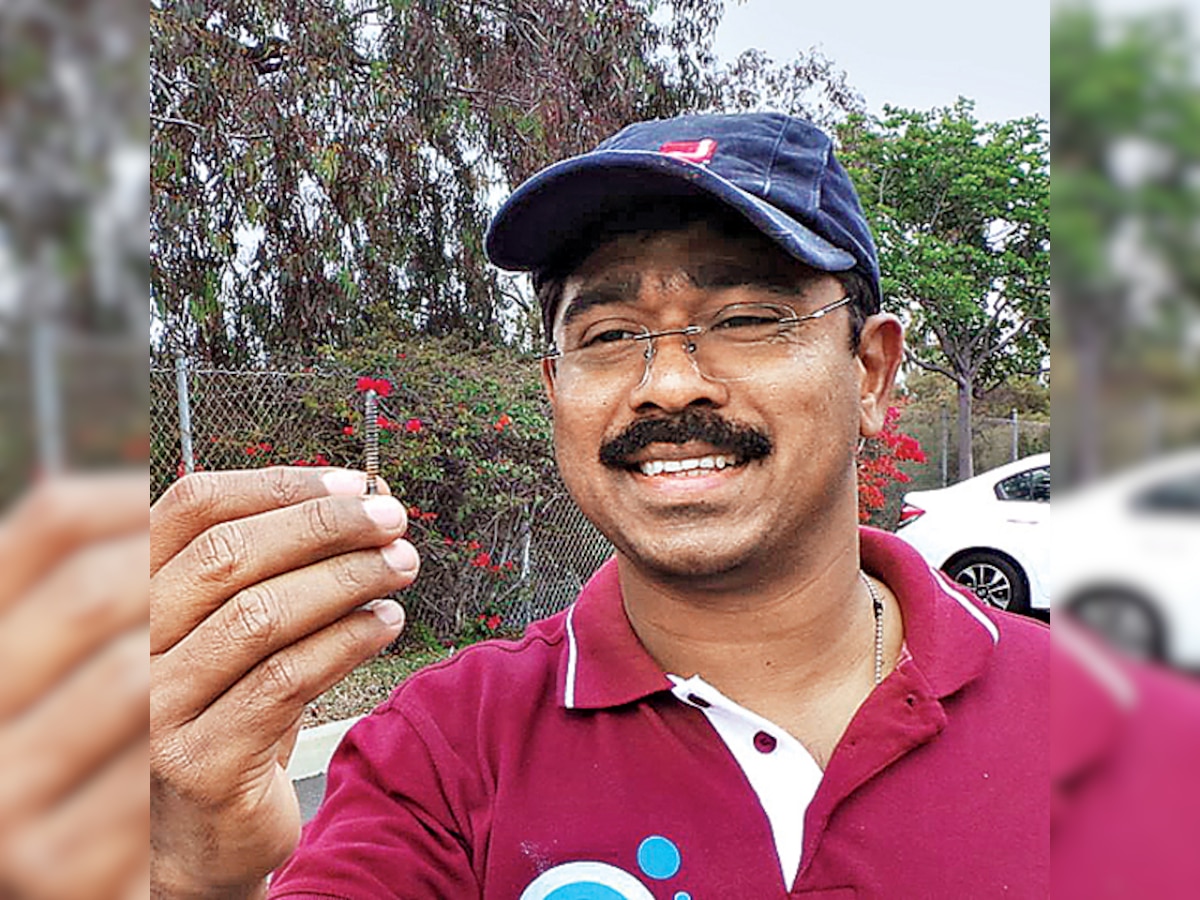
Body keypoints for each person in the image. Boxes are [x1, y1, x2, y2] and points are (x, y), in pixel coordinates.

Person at [150, 113, 1049, 898]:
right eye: (610, 336)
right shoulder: (439, 753)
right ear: (554, 387)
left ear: (872, 370)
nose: (665, 385)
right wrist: (191, 879)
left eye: (742, 318)